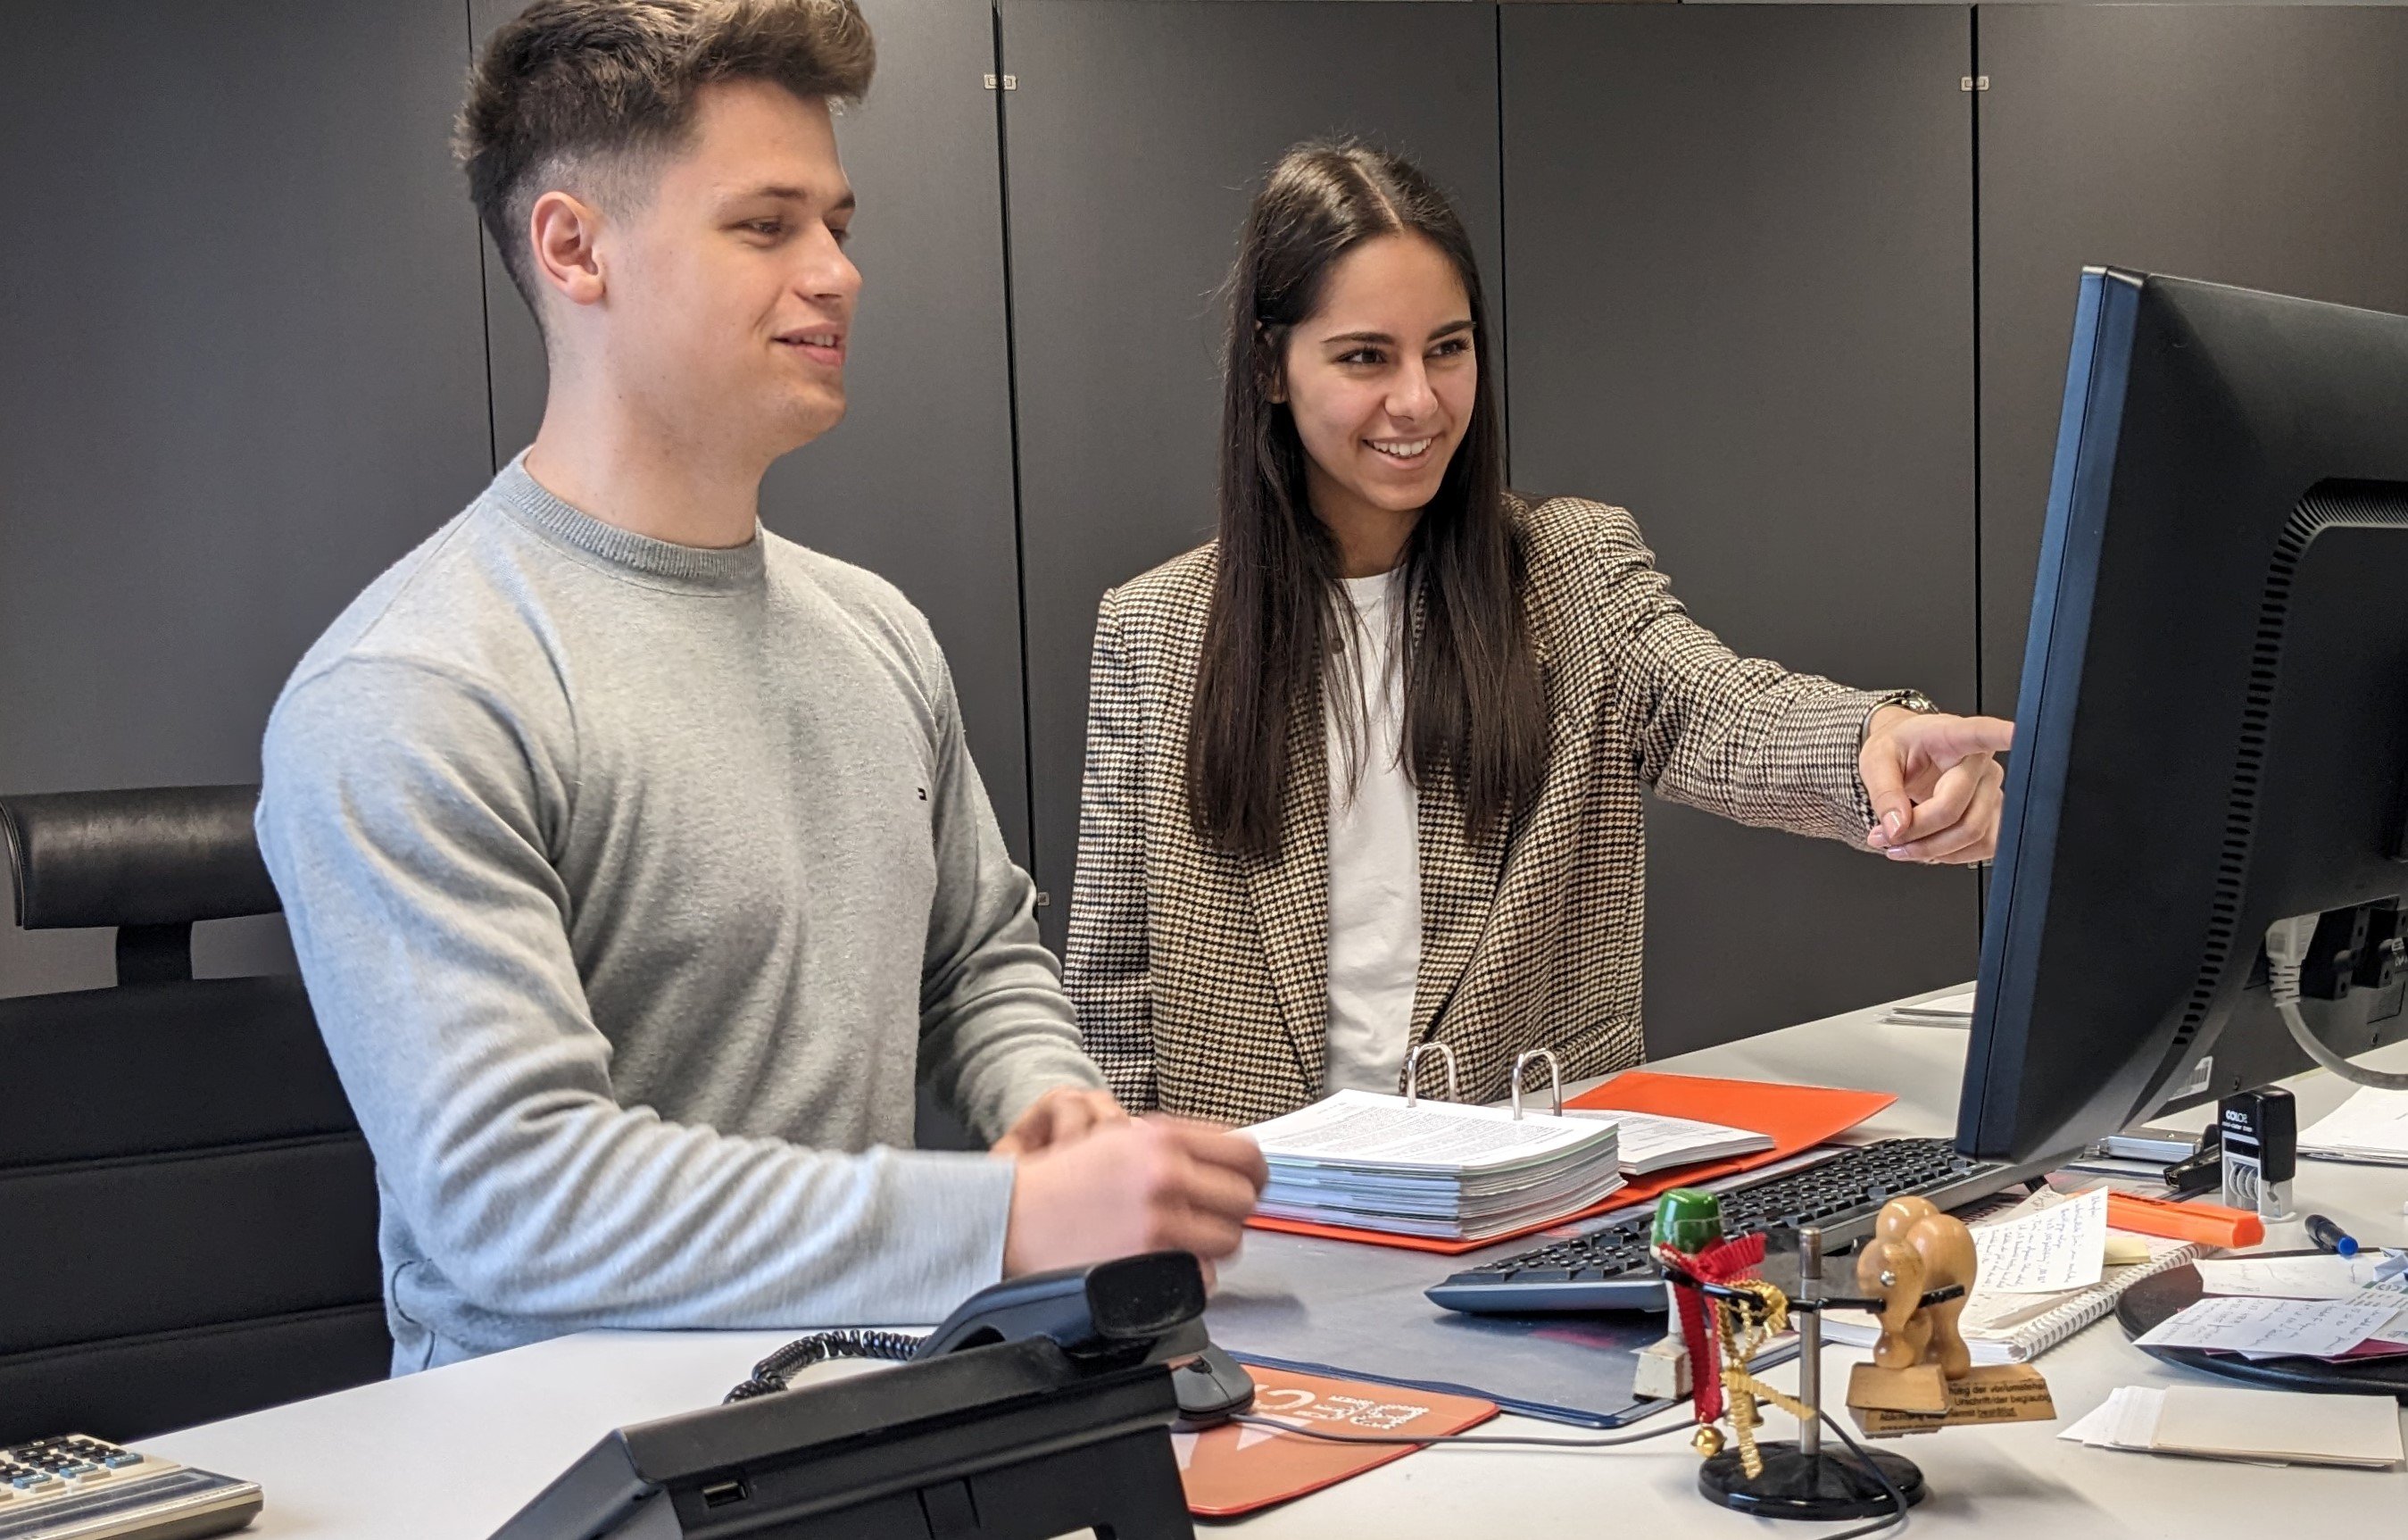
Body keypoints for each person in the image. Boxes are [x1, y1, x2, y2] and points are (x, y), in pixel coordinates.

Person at [255, 0, 1263, 1374]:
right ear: (574, 247)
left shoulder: (876, 633)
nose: (836, 272)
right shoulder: (414, 688)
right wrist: (1006, 1216)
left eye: (837, 224)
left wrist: (1049, 1103)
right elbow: (515, 1200)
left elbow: (977, 961)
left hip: (865, 1417)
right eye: (766, 224)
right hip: (562, 1470)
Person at [1065, 141, 2014, 1125]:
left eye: (1448, 347)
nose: (1418, 401)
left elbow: (1718, 706)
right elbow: (1114, 992)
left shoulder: (1571, 568)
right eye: (1363, 357)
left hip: (1528, 1207)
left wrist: (1872, 741)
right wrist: (1132, 1247)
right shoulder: (1157, 630)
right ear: (1270, 365)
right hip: (1258, 1219)